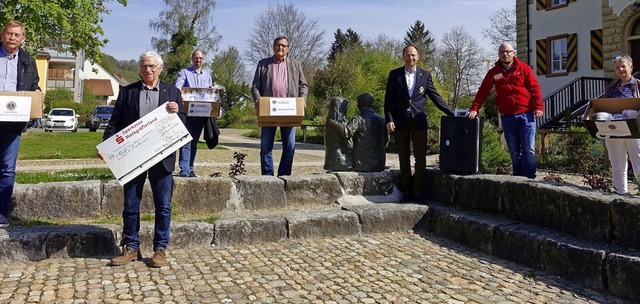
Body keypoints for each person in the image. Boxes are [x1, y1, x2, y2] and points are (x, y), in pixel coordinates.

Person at [101, 51, 186, 267]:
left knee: (163, 205)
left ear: (160, 68)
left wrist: (178, 113)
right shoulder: (127, 92)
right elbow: (114, 122)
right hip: (133, 158)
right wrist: (105, 145)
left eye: (151, 66)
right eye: (143, 66)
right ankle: (131, 247)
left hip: (162, 158)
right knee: (131, 204)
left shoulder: (173, 92)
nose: (147, 70)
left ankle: (160, 249)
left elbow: (184, 123)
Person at [384, 45, 454, 203]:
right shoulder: (394, 75)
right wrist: (389, 119)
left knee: (420, 158)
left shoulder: (425, 75)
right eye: (408, 55)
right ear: (403, 57)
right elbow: (388, 100)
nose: (411, 58)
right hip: (399, 121)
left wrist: (452, 113)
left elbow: (435, 97)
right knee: (403, 157)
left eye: (414, 55)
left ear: (418, 57)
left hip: (419, 121)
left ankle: (418, 191)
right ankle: (407, 191)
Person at [469, 42, 543, 179]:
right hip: (508, 117)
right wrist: (475, 108)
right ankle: (518, 178)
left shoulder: (524, 69)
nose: (505, 54)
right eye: (502, 52)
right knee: (514, 151)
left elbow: (535, 88)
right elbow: (483, 91)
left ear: (514, 53)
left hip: (526, 115)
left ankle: (530, 178)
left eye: (508, 51)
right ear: (499, 55)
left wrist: (538, 107)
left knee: (529, 150)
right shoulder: (494, 72)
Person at [0, 20, 41, 228]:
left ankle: (1, 212)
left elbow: (35, 87)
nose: (12, 38)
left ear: (22, 38)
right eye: (9, 34)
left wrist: (35, 105)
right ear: (2, 34)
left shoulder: (28, 61)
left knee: (7, 169)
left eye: (17, 35)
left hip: (13, 123)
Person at [251, 36, 308, 176]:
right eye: (278, 45)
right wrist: (257, 100)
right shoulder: (263, 64)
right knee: (265, 147)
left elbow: (303, 85)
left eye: (283, 45)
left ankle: (284, 176)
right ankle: (268, 177)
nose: (280, 48)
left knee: (289, 146)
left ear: (288, 49)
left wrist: (303, 99)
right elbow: (255, 87)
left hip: (289, 110)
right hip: (268, 110)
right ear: (273, 46)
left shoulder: (296, 64)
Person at [601, 54, 640, 194]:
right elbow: (605, 107)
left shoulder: (638, 85)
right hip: (614, 129)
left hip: (635, 129)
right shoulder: (611, 88)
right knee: (617, 164)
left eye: (623, 66)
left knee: (639, 162)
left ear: (631, 67)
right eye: (617, 67)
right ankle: (620, 194)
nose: (621, 69)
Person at [175, 49, 214, 177]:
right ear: (192, 59)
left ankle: (191, 168)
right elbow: (177, 88)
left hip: (201, 114)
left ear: (203, 60)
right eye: (196, 58)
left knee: (194, 142)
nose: (198, 60)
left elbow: (210, 93)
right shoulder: (185, 72)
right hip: (187, 114)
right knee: (185, 141)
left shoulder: (207, 76)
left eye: (200, 58)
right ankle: (184, 169)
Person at [338, 93, 387, 172]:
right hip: (379, 164)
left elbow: (347, 133)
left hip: (362, 164)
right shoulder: (381, 119)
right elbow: (386, 141)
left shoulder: (358, 119)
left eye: (357, 102)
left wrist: (333, 123)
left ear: (360, 104)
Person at [323, 97, 353, 171]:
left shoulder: (330, 122)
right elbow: (347, 136)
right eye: (345, 107)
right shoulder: (333, 123)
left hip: (336, 158)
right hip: (339, 159)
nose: (346, 109)